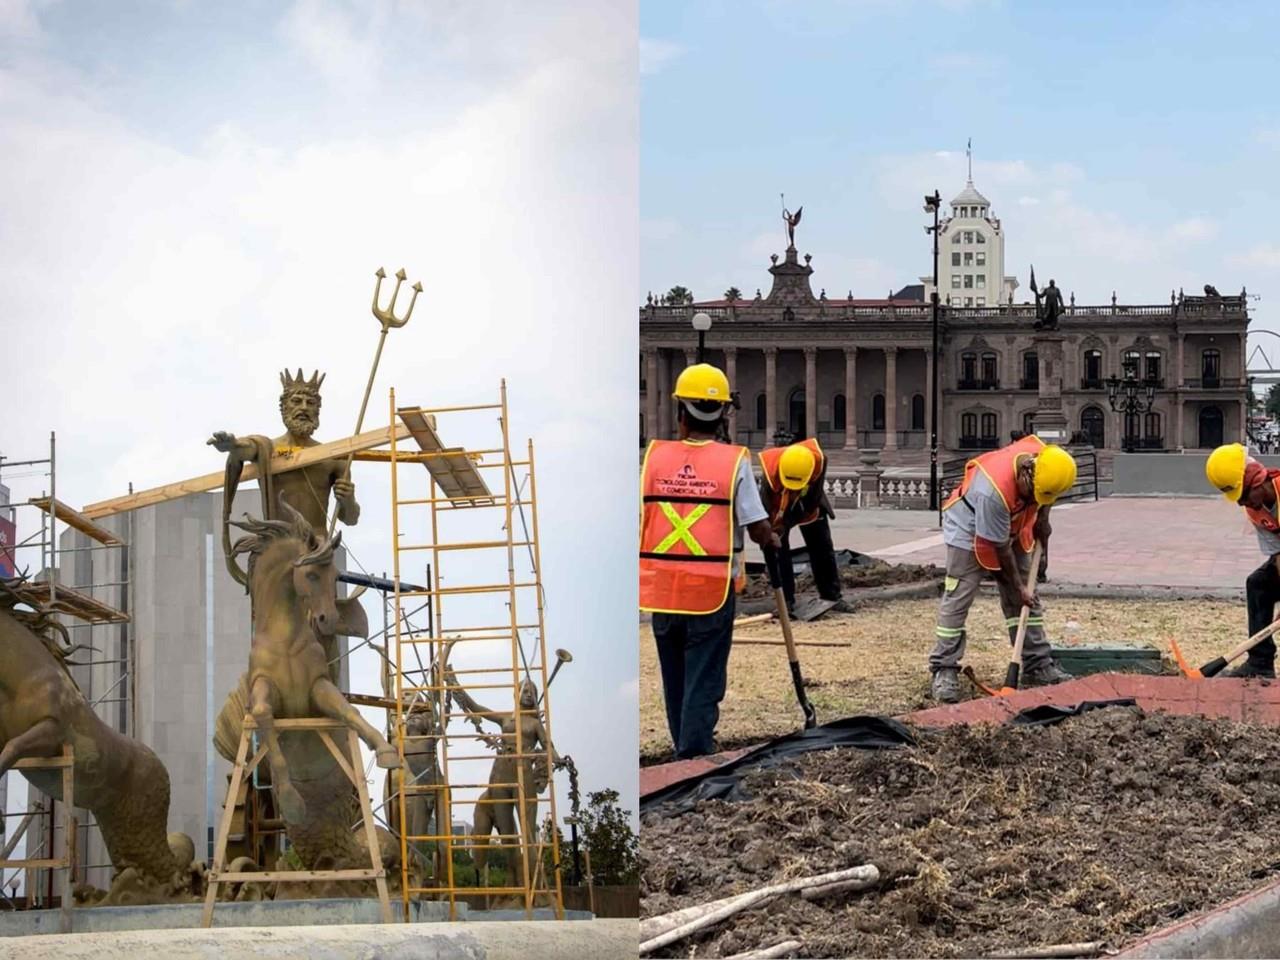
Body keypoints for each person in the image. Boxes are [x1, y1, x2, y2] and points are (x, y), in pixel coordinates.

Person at [640, 363, 778, 758]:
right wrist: (774, 537)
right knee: (704, 677)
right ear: (722, 415)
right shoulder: (733, 462)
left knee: (676, 678)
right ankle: (694, 756)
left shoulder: (654, 459)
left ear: (681, 413)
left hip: (662, 591)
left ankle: (683, 744)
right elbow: (755, 527)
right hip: (710, 592)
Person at [928, 435, 1078, 703]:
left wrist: (1042, 520)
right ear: (1025, 473)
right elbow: (1000, 548)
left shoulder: (1048, 461)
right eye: (1034, 493)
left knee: (1027, 600)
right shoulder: (991, 491)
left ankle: (1036, 663)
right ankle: (944, 668)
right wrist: (1017, 586)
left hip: (1015, 520)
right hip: (969, 525)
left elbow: (1047, 496)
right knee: (960, 593)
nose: (1036, 497)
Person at [208, 368, 360, 532]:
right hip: (279, 546)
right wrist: (234, 446)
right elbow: (249, 449)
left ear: (317, 410)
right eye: (296, 401)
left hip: (316, 547)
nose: (303, 408)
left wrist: (348, 500)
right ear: (284, 408)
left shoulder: (333, 458)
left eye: (310, 403)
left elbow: (351, 519)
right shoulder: (268, 449)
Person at [1205, 443, 1280, 677]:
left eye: (1244, 495)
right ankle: (1260, 664)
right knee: (1258, 583)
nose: (1240, 503)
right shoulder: (1255, 510)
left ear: (1258, 479)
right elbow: (1277, 555)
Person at [757, 439, 842, 612]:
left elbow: (812, 501)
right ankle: (785, 601)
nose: (794, 492)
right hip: (777, 503)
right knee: (776, 549)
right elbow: (764, 517)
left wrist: (789, 521)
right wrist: (771, 533)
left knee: (822, 545)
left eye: (797, 489)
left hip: (808, 502)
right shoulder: (770, 474)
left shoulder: (817, 462)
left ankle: (831, 596)